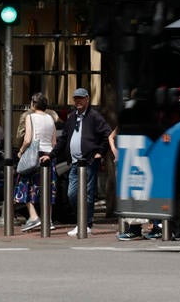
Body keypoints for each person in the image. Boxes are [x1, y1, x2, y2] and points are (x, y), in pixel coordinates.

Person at [58, 85, 116, 234]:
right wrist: (52, 154)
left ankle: (86, 224)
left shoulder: (94, 116)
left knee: (88, 193)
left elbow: (107, 134)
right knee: (72, 194)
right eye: (75, 98)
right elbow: (64, 138)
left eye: (80, 98)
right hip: (75, 162)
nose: (78, 101)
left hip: (89, 161)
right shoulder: (72, 117)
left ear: (87, 99)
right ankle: (81, 221)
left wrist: (100, 152)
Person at [15, 91, 57, 232]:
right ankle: (49, 220)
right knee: (47, 188)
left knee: (24, 185)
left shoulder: (30, 117)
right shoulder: (51, 119)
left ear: (33, 104)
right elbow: (54, 141)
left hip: (34, 155)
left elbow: (27, 139)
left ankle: (33, 217)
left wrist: (21, 151)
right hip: (48, 155)